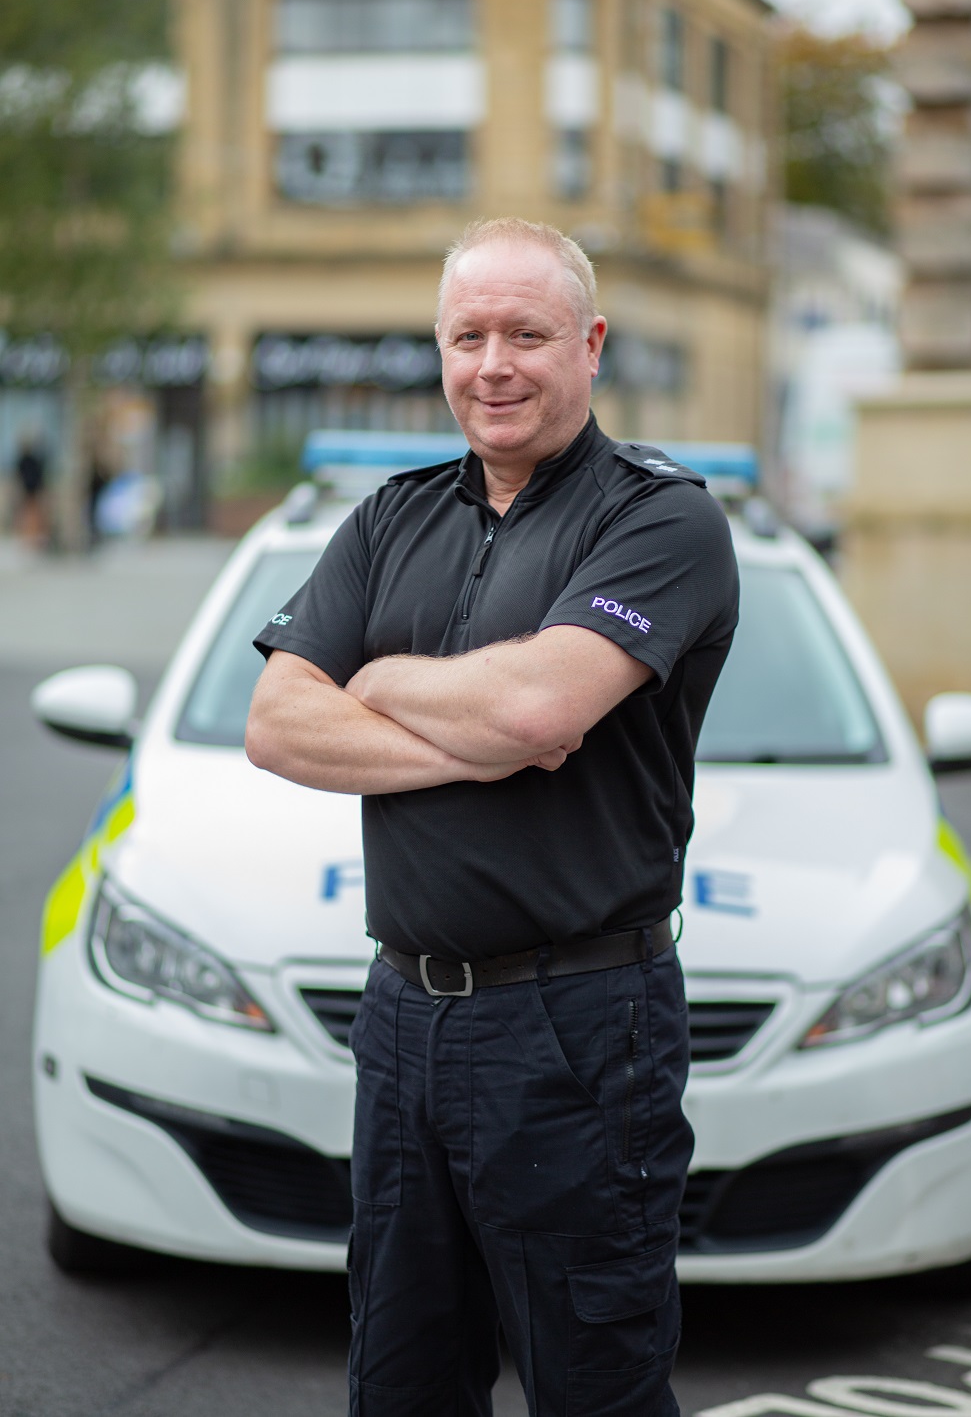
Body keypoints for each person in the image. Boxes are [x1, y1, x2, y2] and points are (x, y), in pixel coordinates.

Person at [246, 217, 739, 1417]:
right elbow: (276, 724)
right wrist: (478, 726)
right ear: (440, 348)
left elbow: (536, 711)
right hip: (401, 1017)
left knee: (594, 1385)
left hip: (576, 1028)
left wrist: (376, 676)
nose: (494, 366)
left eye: (527, 333)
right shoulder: (386, 518)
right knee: (401, 1378)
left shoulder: (661, 520)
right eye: (468, 336)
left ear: (591, 344)